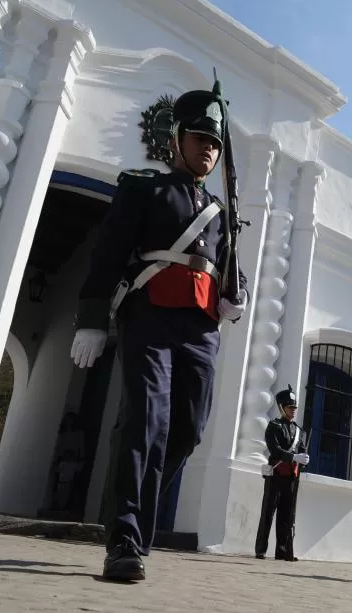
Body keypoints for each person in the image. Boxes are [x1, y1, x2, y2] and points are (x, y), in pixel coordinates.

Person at [70, 82, 249, 582]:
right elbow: (107, 255)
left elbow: (231, 267)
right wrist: (91, 321)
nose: (208, 149)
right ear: (177, 140)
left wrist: (239, 294)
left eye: (214, 143)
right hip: (149, 313)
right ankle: (125, 538)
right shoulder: (143, 187)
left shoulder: (222, 213)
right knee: (145, 420)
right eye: (198, 138)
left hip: (201, 329)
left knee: (186, 429)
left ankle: (131, 508)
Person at [255, 385, 310, 561]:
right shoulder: (274, 426)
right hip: (276, 474)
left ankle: (282, 550)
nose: (293, 411)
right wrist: (294, 456)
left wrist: (305, 459)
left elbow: (301, 450)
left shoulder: (300, 431)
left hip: (291, 477)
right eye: (289, 408)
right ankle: (261, 549)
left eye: (294, 408)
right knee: (268, 512)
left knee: (286, 515)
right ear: (282, 408)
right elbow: (275, 450)